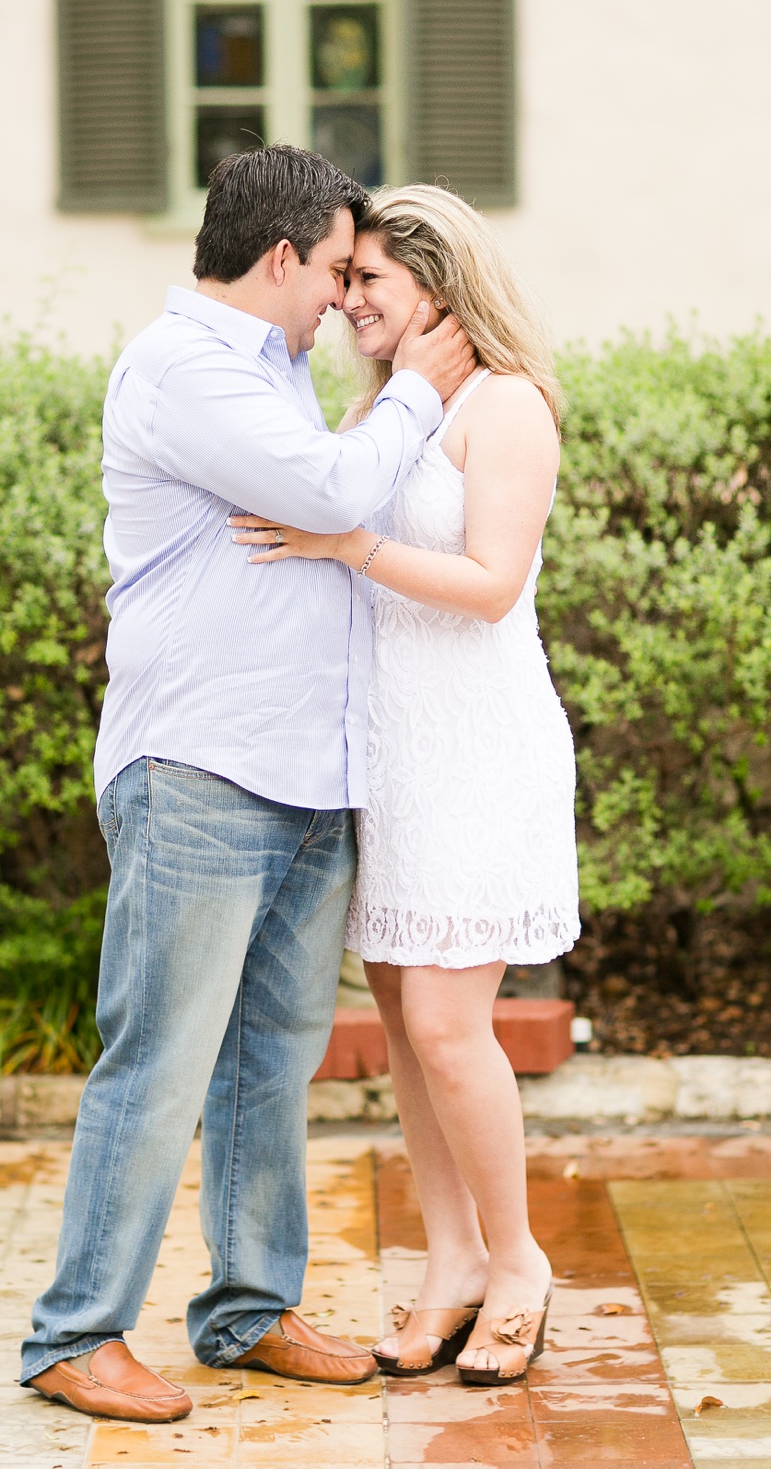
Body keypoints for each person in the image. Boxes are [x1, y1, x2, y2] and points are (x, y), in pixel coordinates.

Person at [20, 149, 476, 1422]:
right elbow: (330, 491)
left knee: (267, 1064)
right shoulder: (184, 369)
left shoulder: (272, 371)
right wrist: (420, 395)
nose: (344, 297)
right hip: (203, 773)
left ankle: (248, 1309)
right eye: (336, 268)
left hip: (306, 776)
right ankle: (75, 1334)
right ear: (279, 257)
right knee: (160, 1058)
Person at [229, 184, 580, 1386]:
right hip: (385, 757)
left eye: (368, 279)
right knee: (403, 1031)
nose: (343, 298)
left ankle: (520, 1260)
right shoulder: (384, 406)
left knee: (445, 1022)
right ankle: (449, 1264)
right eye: (343, 277)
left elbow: (489, 585)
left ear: (435, 283)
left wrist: (348, 545)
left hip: (477, 751)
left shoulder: (507, 406)